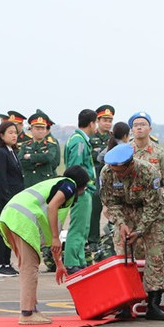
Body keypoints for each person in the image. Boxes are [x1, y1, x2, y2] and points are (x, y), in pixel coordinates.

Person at [100, 143, 164, 321]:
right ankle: (124, 304)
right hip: (125, 212)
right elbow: (111, 202)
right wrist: (121, 223)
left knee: (155, 256)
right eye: (113, 169)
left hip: (151, 215)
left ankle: (153, 304)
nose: (117, 174)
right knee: (123, 256)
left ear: (130, 164)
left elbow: (153, 206)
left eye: (120, 171)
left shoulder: (148, 171)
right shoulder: (107, 173)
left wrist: (139, 231)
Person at [0, 165, 90, 325]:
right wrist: (55, 237)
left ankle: (32, 309)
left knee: (29, 265)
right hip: (21, 220)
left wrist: (58, 263)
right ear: (81, 184)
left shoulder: (55, 186)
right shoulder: (69, 185)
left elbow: (52, 239)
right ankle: (27, 314)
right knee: (30, 267)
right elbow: (53, 208)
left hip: (11, 217)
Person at [128, 111, 164, 215]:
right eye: (136, 125)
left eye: (143, 124)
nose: (139, 128)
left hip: (156, 202)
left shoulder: (158, 152)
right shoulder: (126, 151)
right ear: (132, 129)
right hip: (132, 204)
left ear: (150, 129)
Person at [63, 109, 98, 274]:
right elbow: (76, 167)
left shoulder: (80, 139)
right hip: (81, 191)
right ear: (91, 123)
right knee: (77, 228)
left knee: (84, 228)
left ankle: (79, 259)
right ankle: (71, 261)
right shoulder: (79, 142)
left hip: (84, 189)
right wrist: (80, 187)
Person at [0, 121, 24, 276]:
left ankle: (6, 262)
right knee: (1, 232)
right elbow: (2, 179)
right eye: (10, 132)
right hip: (3, 199)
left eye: (15, 132)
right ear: (1, 135)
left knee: (9, 233)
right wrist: (9, 200)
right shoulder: (0, 152)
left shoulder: (12, 152)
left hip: (13, 199)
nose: (14, 135)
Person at [88, 105, 114, 248]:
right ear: (98, 120)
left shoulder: (113, 138)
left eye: (110, 120)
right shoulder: (91, 138)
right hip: (96, 178)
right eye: (105, 120)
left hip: (111, 180)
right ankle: (93, 241)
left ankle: (111, 239)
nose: (107, 123)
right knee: (94, 212)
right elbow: (91, 157)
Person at [19, 111, 60, 187]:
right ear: (31, 129)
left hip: (45, 182)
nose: (40, 131)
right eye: (37, 128)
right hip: (29, 182)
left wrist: (30, 157)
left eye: (43, 128)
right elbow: (21, 161)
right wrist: (39, 161)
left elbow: (48, 157)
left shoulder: (50, 144)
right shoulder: (25, 145)